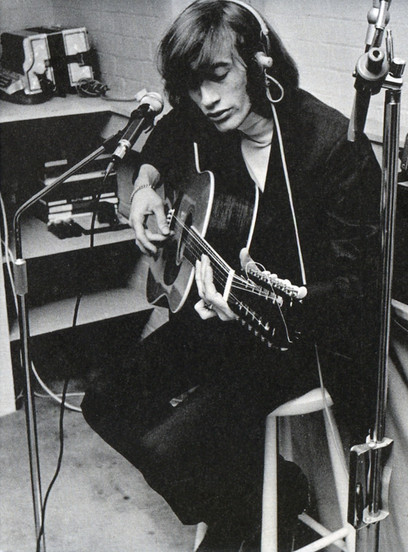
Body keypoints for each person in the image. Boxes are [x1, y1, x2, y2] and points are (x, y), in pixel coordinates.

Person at [81, 1, 382, 550]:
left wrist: (258, 303)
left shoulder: (335, 148)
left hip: (297, 342)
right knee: (102, 399)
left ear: (261, 62)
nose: (207, 99)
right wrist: (146, 187)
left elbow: (355, 290)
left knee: (169, 448)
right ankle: (257, 498)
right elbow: (168, 134)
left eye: (219, 76)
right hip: (219, 318)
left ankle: (260, 502)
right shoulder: (207, 118)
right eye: (194, 86)